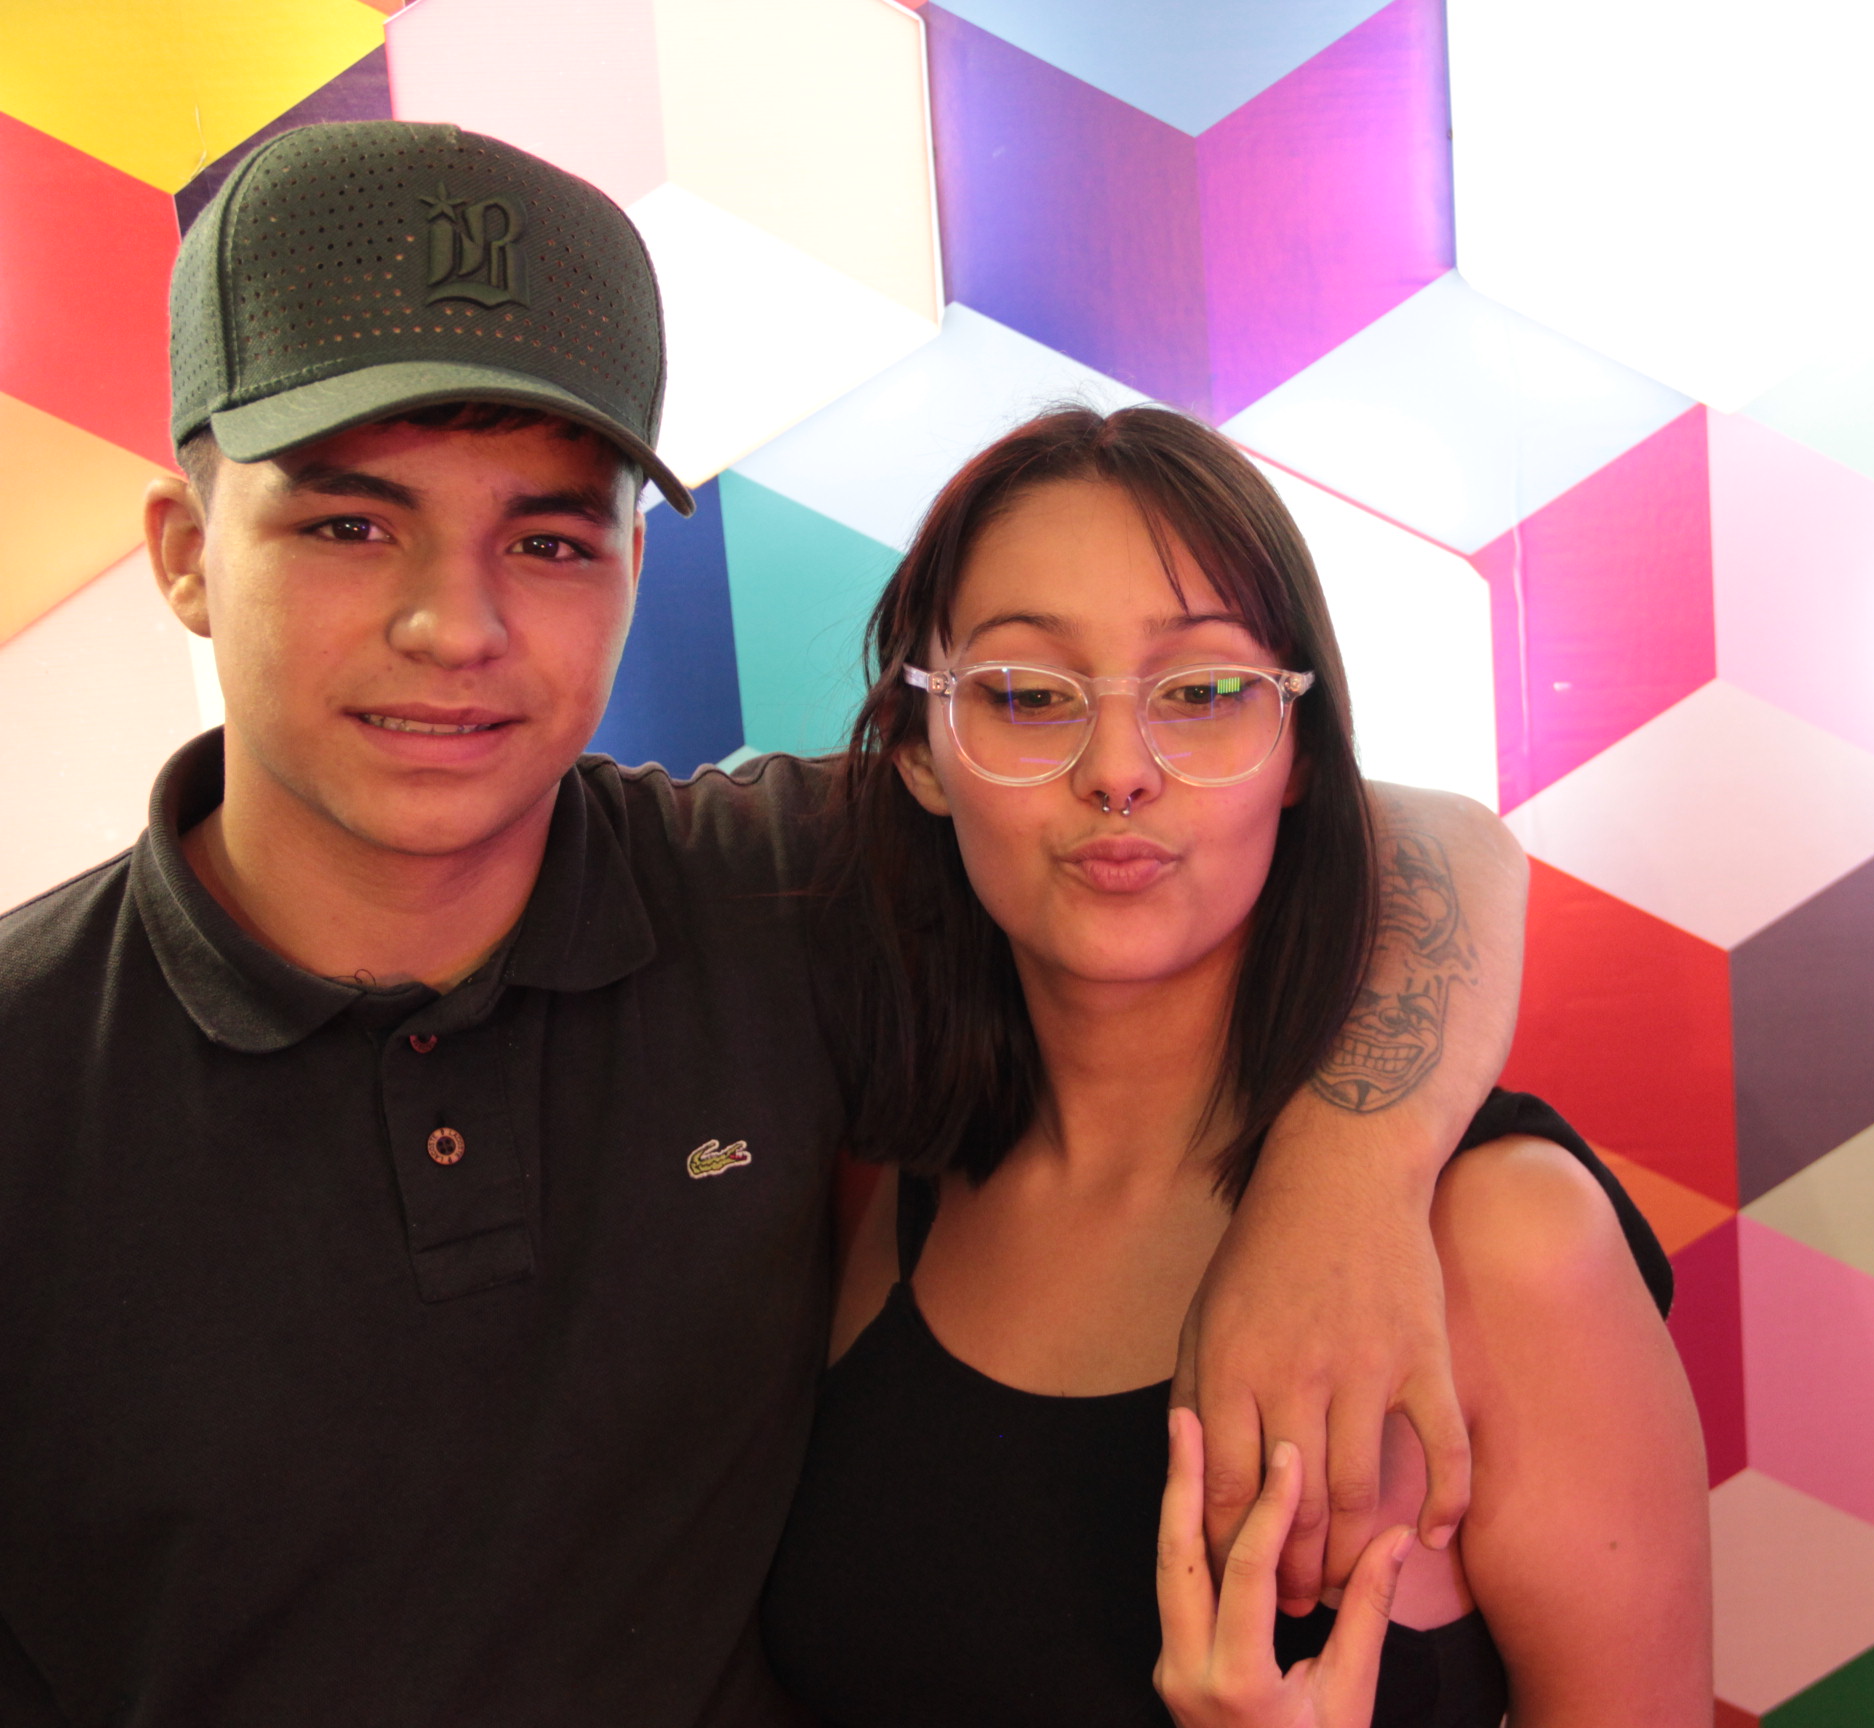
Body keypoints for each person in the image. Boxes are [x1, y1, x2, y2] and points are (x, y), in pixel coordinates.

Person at [0, 122, 1532, 1725]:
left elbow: (1415, 844)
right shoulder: (33, 1078)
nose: (455, 625)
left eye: (548, 540)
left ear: (631, 567)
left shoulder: (778, 897)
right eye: (348, 526)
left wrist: (1345, 1195)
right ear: (186, 553)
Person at [758, 407, 1712, 1726]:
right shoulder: (885, 1177)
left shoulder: (1507, 1239)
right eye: (1027, 695)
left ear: (1302, 750)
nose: (1117, 774)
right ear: (923, 752)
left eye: (1203, 695)